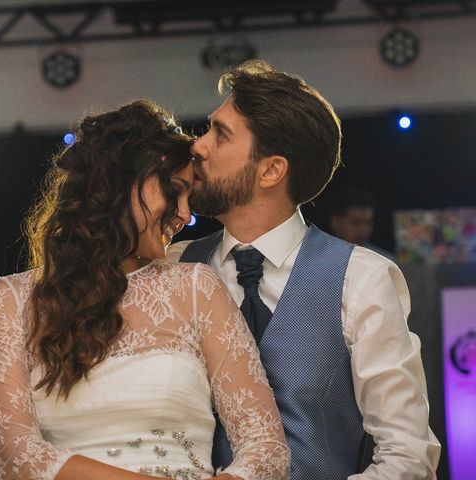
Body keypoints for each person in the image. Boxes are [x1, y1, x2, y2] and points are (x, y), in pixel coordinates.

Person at [0, 100, 290, 480]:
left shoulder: (195, 288)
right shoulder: (10, 300)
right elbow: (16, 456)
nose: (185, 214)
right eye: (175, 190)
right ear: (120, 181)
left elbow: (266, 448)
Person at [166, 60, 441, 479]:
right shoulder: (170, 267)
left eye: (220, 135)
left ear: (272, 170)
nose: (198, 147)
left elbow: (407, 453)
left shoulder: (360, 278)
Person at [328, 186, 395, 260]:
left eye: (368, 223)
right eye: (356, 223)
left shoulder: (384, 261)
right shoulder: (321, 257)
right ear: (336, 222)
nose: (363, 230)